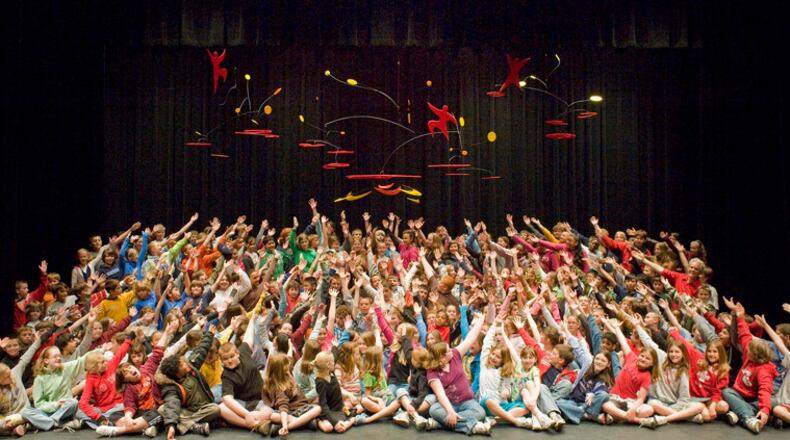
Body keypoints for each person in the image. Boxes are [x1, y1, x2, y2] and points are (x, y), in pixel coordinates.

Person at [157, 329, 220, 439]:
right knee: (162, 409)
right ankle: (192, 426)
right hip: (187, 411)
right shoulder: (171, 387)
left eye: (183, 362)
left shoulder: (191, 367)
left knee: (215, 409)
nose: (185, 364)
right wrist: (171, 425)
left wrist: (209, 334)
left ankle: (185, 425)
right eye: (181, 366)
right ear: (176, 373)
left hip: (203, 408)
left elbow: (201, 350)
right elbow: (172, 405)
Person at [262, 353, 322, 436]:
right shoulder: (279, 387)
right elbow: (283, 406)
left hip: (300, 409)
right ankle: (303, 423)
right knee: (273, 416)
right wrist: (285, 426)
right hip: (289, 412)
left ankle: (288, 425)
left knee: (318, 407)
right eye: (286, 367)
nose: (288, 367)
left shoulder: (286, 375)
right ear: (279, 370)